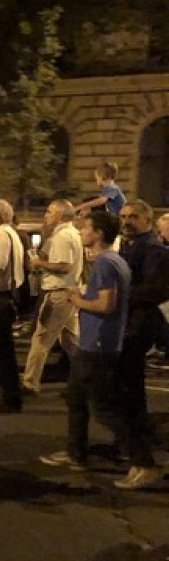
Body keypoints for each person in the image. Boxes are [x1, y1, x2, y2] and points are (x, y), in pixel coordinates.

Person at [38, 212, 141, 476]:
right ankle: (76, 453)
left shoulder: (106, 263)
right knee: (76, 399)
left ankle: (144, 460)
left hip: (98, 343)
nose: (81, 232)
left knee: (103, 408)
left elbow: (106, 305)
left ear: (99, 233)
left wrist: (77, 300)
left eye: (86, 228)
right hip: (92, 341)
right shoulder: (113, 261)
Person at [111, 199, 169, 488]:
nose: (126, 221)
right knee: (126, 390)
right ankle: (134, 447)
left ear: (147, 219)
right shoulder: (129, 246)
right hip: (127, 325)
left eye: (133, 216)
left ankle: (141, 455)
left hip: (138, 327)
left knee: (126, 390)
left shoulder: (154, 250)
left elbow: (156, 289)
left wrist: (116, 296)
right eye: (123, 216)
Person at [22, 200, 83, 394]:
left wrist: (39, 263)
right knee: (72, 342)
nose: (45, 215)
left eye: (49, 212)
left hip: (59, 293)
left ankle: (30, 383)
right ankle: (90, 379)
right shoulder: (69, 234)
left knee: (41, 339)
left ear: (60, 215)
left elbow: (64, 266)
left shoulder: (63, 236)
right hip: (68, 292)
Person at [0, 199, 25, 414]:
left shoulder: (0, 235)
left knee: (2, 351)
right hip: (6, 295)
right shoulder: (11, 234)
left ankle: (11, 397)